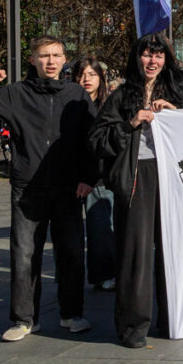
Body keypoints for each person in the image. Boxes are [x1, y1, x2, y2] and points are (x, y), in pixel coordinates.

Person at [0, 36, 98, 342]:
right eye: (44, 56)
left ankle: (71, 313)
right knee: (24, 254)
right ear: (33, 60)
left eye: (56, 55)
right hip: (28, 188)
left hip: (68, 188)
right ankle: (24, 319)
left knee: (72, 253)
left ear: (65, 60)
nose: (50, 61)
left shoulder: (77, 94)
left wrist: (89, 177)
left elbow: (90, 140)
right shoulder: (15, 93)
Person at [89, 33, 183, 348]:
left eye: (159, 56)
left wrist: (176, 113)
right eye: (147, 55)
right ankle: (133, 328)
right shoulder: (122, 96)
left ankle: (171, 321)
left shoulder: (179, 91)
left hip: (174, 179)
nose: (153, 61)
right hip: (137, 177)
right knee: (135, 255)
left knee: (173, 253)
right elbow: (97, 140)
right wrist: (131, 123)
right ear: (137, 59)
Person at [70, 56, 116, 292]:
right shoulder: (68, 103)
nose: (86, 79)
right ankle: (68, 277)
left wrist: (92, 177)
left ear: (101, 78)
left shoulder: (107, 106)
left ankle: (105, 274)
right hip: (70, 176)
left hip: (99, 177)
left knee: (100, 230)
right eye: (81, 74)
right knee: (69, 234)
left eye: (91, 74)